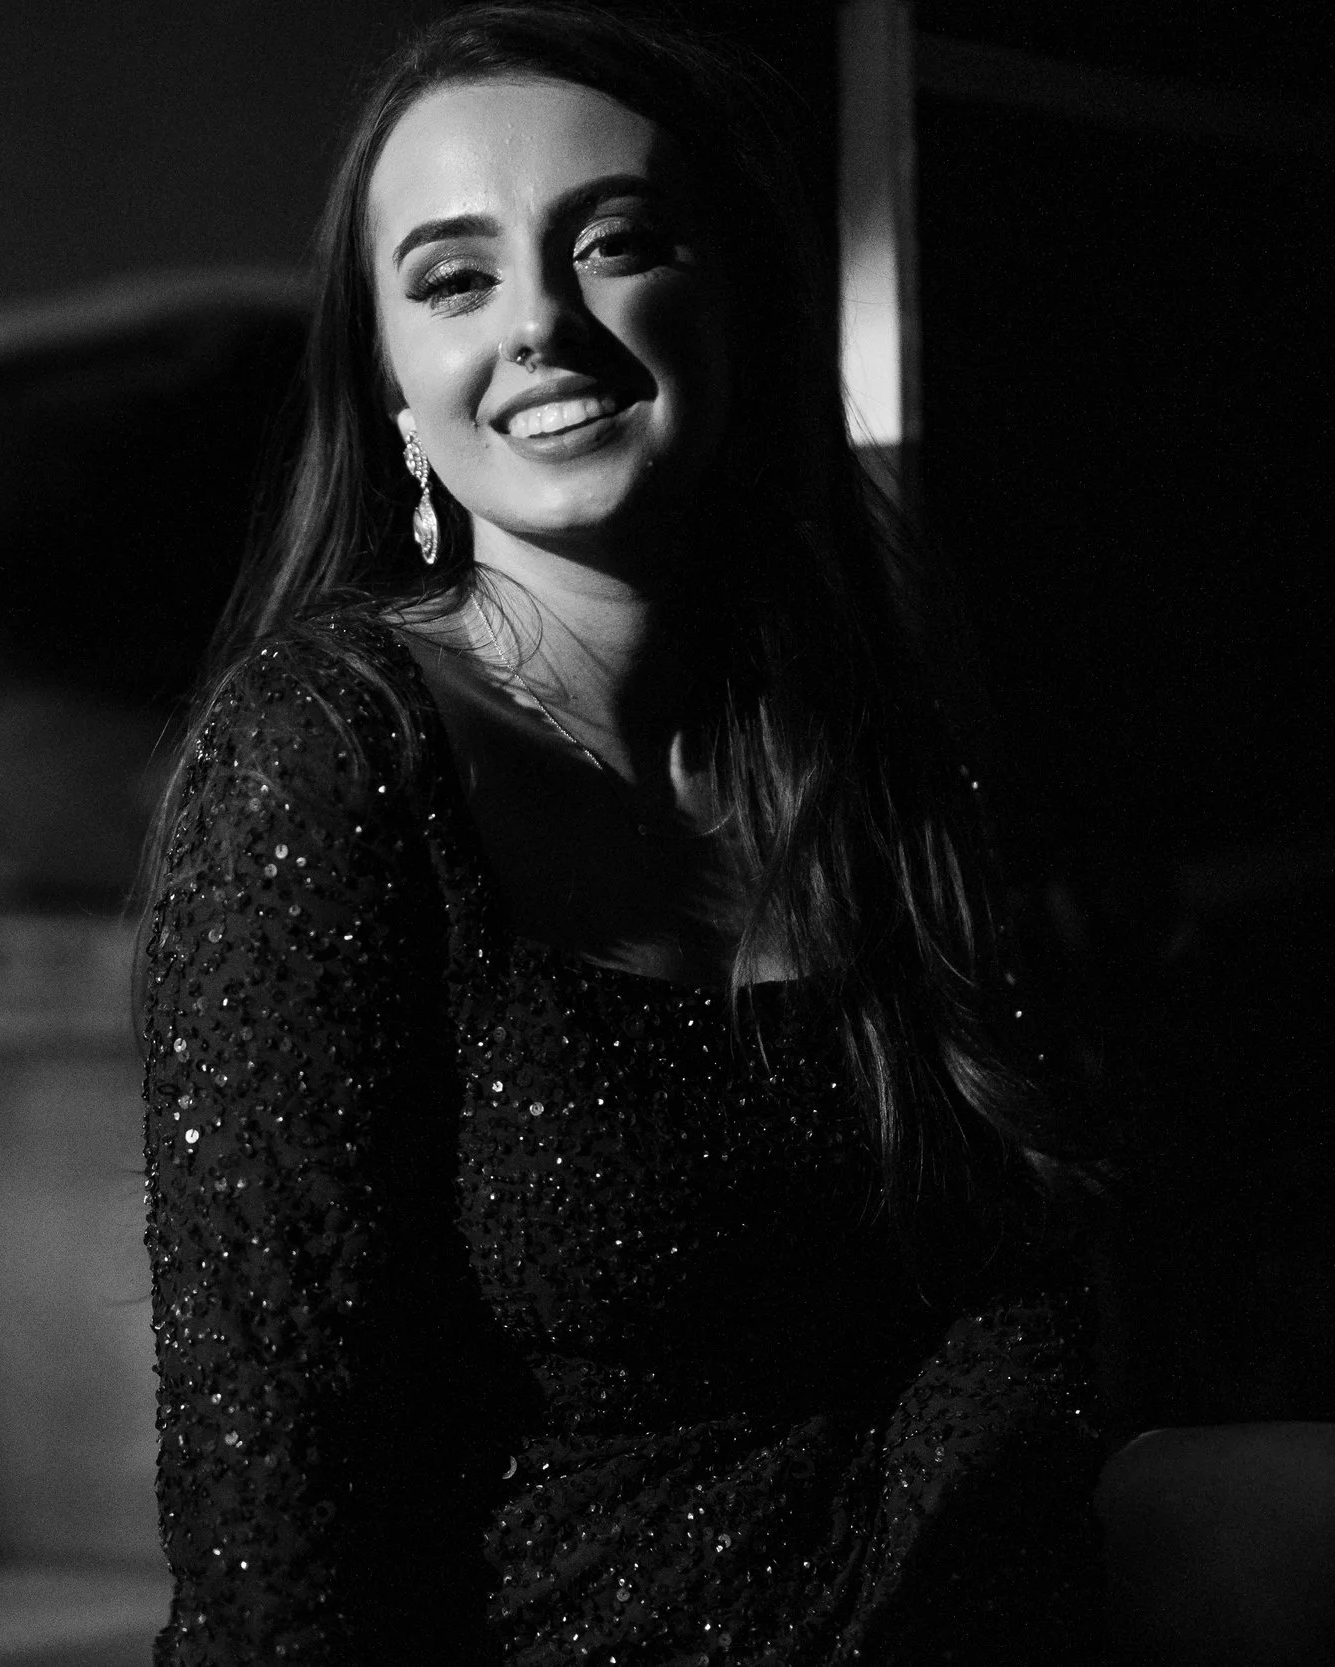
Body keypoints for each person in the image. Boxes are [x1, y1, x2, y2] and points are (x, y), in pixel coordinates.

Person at [136, 6, 1105, 1663]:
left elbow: (1031, 1261)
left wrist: (952, 1554)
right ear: (388, 390)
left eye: (616, 244)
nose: (543, 326)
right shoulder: (327, 753)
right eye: (455, 279)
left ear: (735, 299)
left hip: (949, 1569)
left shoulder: (862, 713)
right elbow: (275, 1486)